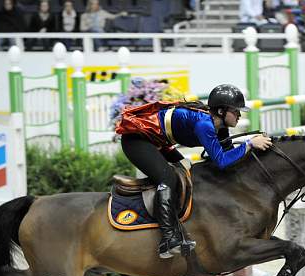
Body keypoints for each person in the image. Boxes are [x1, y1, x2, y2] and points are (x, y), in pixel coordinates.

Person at [116, 84, 273, 259]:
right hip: (138, 141)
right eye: (236, 111)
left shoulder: (220, 127)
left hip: (160, 143)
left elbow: (230, 162)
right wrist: (249, 144)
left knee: (187, 169)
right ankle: (168, 238)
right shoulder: (204, 124)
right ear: (221, 111)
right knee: (167, 178)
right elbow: (221, 161)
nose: (239, 115)